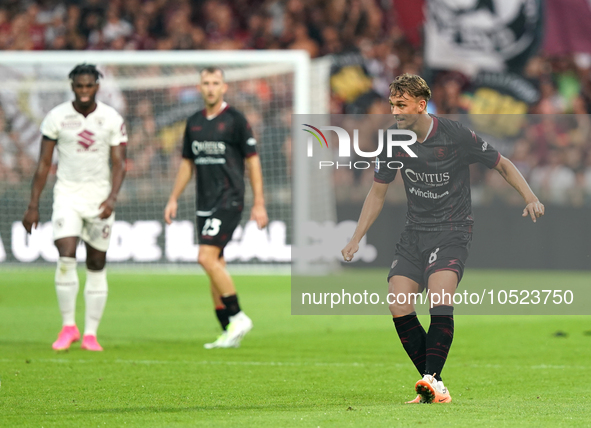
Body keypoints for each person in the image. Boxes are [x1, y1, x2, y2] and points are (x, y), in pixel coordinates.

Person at [341, 74, 545, 404]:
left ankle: (431, 380)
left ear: (421, 105)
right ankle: (435, 383)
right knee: (398, 303)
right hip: (414, 232)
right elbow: (377, 194)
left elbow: (502, 164)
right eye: (392, 104)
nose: (395, 111)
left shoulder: (455, 135)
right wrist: (355, 237)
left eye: (402, 105)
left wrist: (530, 196)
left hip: (452, 229)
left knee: (439, 296)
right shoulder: (392, 141)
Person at [22, 63, 127, 352]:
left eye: (88, 86)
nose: (83, 91)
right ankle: (69, 326)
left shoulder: (111, 118)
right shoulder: (56, 117)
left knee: (96, 263)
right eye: (79, 86)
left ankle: (91, 333)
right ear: (72, 86)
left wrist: (111, 199)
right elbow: (44, 164)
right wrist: (33, 205)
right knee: (66, 255)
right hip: (66, 196)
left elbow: (119, 164)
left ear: (97, 86)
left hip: (99, 200)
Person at [164, 67, 268, 349]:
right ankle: (228, 330)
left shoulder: (236, 120)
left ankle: (238, 316)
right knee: (215, 265)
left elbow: (253, 161)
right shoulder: (194, 122)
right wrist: (173, 197)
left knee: (205, 258)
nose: (210, 88)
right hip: (204, 202)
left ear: (224, 88)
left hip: (229, 198)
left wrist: (259, 202)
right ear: (200, 88)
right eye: (206, 83)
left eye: (215, 83)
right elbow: (188, 162)